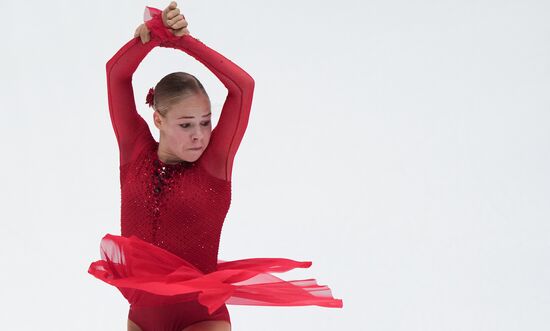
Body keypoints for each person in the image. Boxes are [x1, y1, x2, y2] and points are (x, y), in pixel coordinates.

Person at [88, 2, 343, 331]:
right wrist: (151, 37)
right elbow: (116, 74)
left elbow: (243, 88)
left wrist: (182, 41)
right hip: (142, 318)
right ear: (158, 119)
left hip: (202, 316)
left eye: (206, 123)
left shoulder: (214, 164)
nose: (199, 136)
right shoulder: (134, 150)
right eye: (186, 125)